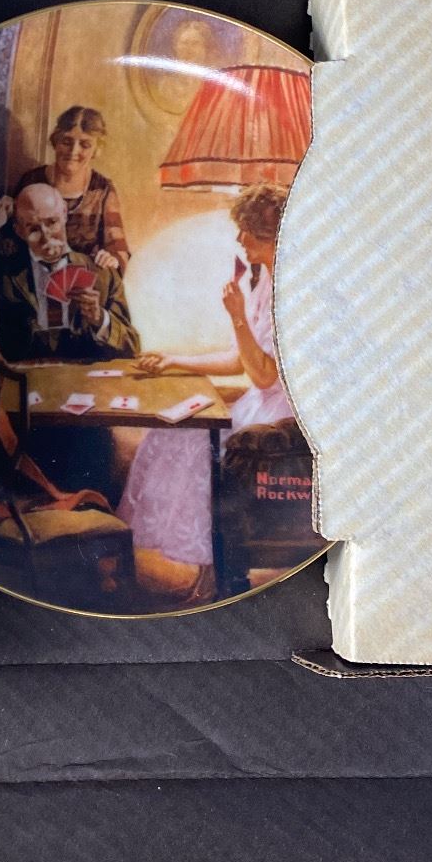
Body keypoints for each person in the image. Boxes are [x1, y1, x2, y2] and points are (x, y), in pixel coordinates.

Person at [118, 182, 294, 581]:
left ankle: (201, 562)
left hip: (277, 417)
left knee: (189, 439)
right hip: (259, 403)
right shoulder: (264, 282)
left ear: (272, 235)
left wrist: (237, 316)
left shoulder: (292, 290)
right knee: (169, 430)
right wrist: (172, 360)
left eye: (248, 230)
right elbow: (237, 360)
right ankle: (179, 558)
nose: (240, 239)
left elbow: (264, 375)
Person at [0, 181, 141, 363]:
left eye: (52, 222)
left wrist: (99, 318)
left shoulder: (103, 274)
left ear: (64, 213)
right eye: (33, 229)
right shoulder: (5, 278)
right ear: (19, 231)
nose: (46, 237)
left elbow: (132, 346)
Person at [0, 104, 130, 274]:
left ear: (96, 149)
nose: (73, 151)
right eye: (67, 142)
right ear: (56, 141)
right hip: (34, 279)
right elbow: (9, 243)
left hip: (83, 280)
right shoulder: (31, 181)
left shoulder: (102, 190)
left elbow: (119, 250)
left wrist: (112, 259)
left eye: (85, 145)